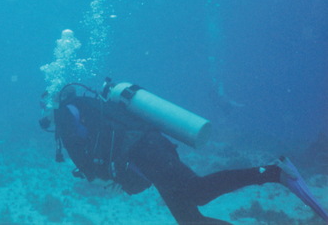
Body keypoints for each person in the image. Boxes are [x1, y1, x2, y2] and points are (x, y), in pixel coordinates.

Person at [39, 79, 328, 225]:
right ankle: (274, 172)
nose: (45, 119)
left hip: (147, 152)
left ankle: (275, 172)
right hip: (151, 149)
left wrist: (98, 177)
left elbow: (86, 160)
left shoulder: (65, 115)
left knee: (197, 192)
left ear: (53, 103)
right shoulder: (89, 108)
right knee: (190, 220)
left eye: (45, 110)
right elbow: (104, 148)